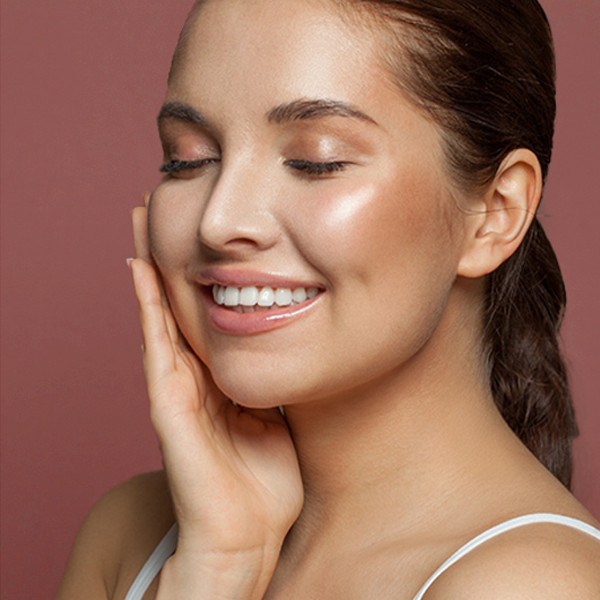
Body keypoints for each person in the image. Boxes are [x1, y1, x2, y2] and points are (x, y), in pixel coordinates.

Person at [56, 0, 600, 598]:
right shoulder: (128, 538)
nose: (220, 221)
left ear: (495, 213)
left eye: (315, 161)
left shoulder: (531, 585)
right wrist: (216, 567)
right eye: (189, 159)